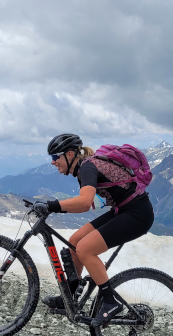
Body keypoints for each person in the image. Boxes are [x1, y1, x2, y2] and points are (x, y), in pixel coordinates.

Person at [33, 133, 154, 326]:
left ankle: (110, 302)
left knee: (85, 249)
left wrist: (51, 206)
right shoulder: (85, 167)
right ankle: (70, 298)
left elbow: (84, 202)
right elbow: (88, 203)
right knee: (74, 242)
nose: (53, 162)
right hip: (123, 210)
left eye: (55, 157)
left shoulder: (87, 167)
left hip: (137, 215)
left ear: (70, 154)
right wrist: (54, 206)